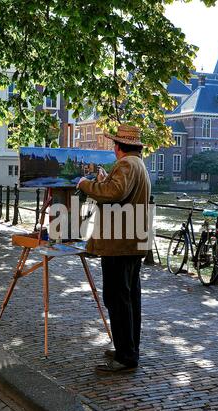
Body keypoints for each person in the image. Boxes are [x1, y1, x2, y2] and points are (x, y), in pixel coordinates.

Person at [77, 124, 151, 374]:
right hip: (132, 243)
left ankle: (126, 357)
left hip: (120, 245)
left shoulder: (126, 164)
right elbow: (120, 192)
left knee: (117, 299)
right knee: (129, 299)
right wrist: (103, 181)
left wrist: (86, 185)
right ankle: (127, 349)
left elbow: (115, 192)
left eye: (114, 145)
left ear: (118, 146)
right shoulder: (138, 164)